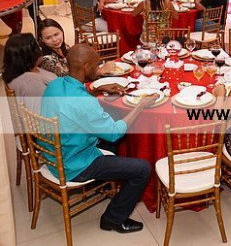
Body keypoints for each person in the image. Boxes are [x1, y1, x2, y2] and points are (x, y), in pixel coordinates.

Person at [41, 44, 155, 233]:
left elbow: (73, 105)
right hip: (74, 165)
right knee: (143, 169)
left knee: (111, 130)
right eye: (96, 65)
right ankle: (113, 219)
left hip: (52, 154)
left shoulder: (55, 84)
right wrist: (140, 106)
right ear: (86, 66)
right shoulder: (84, 103)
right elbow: (115, 133)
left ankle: (107, 184)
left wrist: (96, 90)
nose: (99, 68)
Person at [2, 33, 56, 113]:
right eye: (37, 47)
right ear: (29, 54)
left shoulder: (25, 70)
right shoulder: (31, 84)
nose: (40, 48)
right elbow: (38, 115)